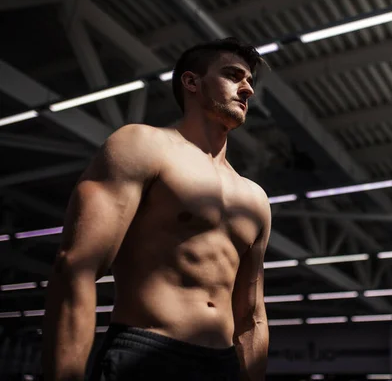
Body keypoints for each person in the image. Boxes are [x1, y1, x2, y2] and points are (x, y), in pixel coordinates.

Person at [42, 38, 271, 381]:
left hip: (221, 366)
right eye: (233, 75)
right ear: (192, 82)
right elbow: (76, 266)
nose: (248, 89)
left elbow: (251, 316)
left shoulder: (255, 198)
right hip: (146, 353)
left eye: (250, 80)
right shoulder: (142, 145)